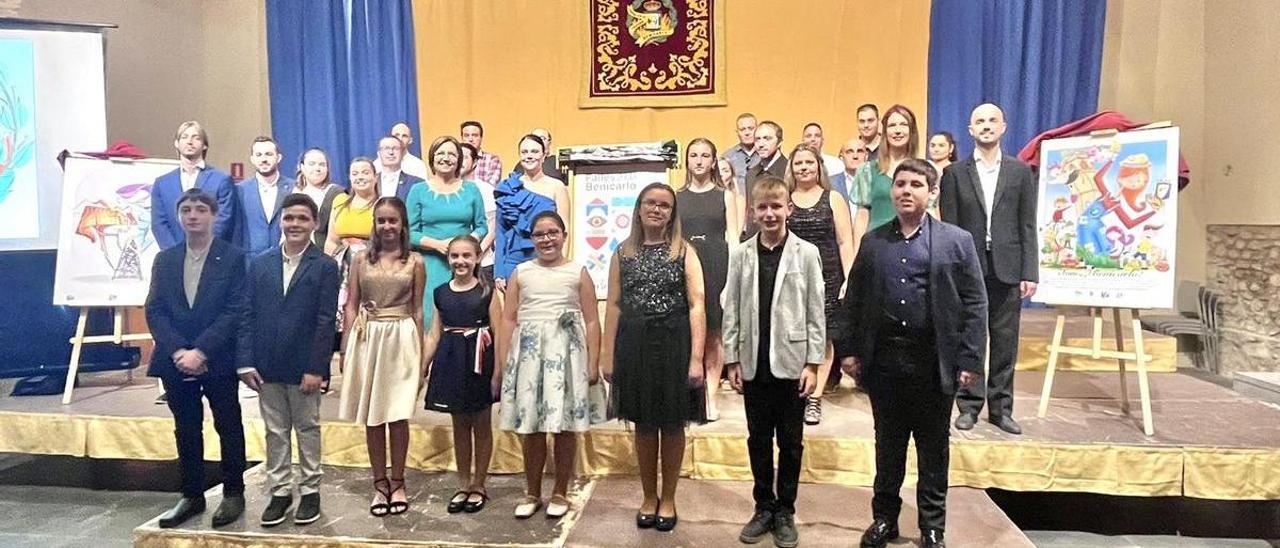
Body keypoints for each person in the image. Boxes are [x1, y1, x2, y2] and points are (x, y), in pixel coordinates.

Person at [837, 159, 988, 548]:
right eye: (900, 183)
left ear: (931, 192)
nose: (906, 190)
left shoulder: (957, 241)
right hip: (885, 362)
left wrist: (970, 359)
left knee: (933, 450)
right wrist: (849, 350)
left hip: (933, 364)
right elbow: (854, 300)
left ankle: (932, 526)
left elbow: (975, 303)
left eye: (916, 184)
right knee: (888, 448)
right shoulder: (873, 241)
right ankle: (885, 519)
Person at [723, 176, 825, 548]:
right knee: (758, 439)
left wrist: (813, 363)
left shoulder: (807, 253)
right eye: (762, 207)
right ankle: (763, 505)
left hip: (792, 363)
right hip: (753, 363)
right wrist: (732, 358)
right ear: (752, 211)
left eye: (776, 206)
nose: (769, 214)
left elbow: (816, 311)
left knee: (792, 443)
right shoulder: (742, 254)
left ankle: (786, 510)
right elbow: (731, 308)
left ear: (788, 209)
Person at [602, 183, 707, 532]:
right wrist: (607, 354)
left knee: (673, 423)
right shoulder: (623, 253)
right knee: (645, 424)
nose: (657, 209)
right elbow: (613, 305)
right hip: (634, 345)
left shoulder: (684, 251)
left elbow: (697, 305)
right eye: (651, 203)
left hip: (674, 343)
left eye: (665, 205)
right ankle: (648, 496)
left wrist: (696, 358)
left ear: (672, 213)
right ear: (639, 208)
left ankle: (670, 497)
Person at [143, 188, 247, 529]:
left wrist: (201, 351)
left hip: (216, 358)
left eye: (200, 209)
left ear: (213, 215)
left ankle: (233, 492)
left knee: (228, 425)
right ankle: (191, 495)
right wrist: (178, 351)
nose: (193, 215)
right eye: (186, 209)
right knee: (186, 429)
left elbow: (235, 310)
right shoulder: (165, 259)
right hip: (175, 361)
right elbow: (155, 310)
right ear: (178, 216)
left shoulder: (232, 257)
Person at [236, 193, 340, 527]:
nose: (294, 224)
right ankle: (279, 491)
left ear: (315, 224)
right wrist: (246, 360)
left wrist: (317, 368)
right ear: (281, 221)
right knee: (275, 431)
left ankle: (310, 491)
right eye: (289, 218)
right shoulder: (260, 263)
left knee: (307, 428)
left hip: (304, 365)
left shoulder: (325, 266)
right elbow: (247, 314)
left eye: (302, 218)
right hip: (266, 365)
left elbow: (326, 320)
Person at [496, 211, 606, 520]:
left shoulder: (577, 271)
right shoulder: (521, 272)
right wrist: (505, 362)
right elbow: (508, 318)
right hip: (530, 355)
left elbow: (592, 320)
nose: (547, 239)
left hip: (566, 354)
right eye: (540, 234)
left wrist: (593, 361)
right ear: (531, 239)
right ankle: (532, 491)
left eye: (553, 232)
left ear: (564, 235)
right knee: (531, 426)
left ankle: (560, 490)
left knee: (564, 425)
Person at [938, 103, 1038, 436]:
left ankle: (1001, 408)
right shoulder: (954, 174)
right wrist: (952, 271)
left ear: (1003, 127)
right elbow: (949, 227)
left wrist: (1030, 271)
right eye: (979, 121)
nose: (986, 126)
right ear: (970, 130)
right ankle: (968, 405)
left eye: (992, 120)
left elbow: (1027, 224)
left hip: (1008, 269)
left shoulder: (1020, 172)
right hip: (969, 270)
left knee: (1005, 342)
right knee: (971, 339)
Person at [338, 196, 426, 517]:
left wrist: (420, 353)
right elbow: (350, 305)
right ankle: (379, 483)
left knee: (398, 413)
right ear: (374, 224)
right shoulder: (361, 259)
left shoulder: (415, 261)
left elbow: (418, 309)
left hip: (401, 335)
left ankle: (399, 480)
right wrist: (346, 346)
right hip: (369, 335)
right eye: (381, 220)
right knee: (373, 415)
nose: (387, 226)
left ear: (403, 224)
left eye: (393, 220)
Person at [423, 235, 502, 514]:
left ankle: (479, 484)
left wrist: (498, 373)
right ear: (448, 258)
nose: (461, 261)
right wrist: (423, 366)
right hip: (451, 359)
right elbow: (434, 334)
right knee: (459, 424)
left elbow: (500, 332)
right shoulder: (440, 292)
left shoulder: (487, 291)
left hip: (480, 360)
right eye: (455, 256)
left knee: (481, 423)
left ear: (478, 258)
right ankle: (463, 483)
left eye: (467, 256)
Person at [785, 144, 855, 425]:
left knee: (823, 338)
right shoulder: (785, 198)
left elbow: (844, 241)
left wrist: (848, 278)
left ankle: (815, 399)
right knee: (795, 339)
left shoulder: (833, 198)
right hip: (792, 279)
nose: (804, 167)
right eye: (798, 163)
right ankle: (797, 393)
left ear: (818, 167)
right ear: (791, 168)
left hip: (827, 277)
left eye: (809, 162)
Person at [678, 139, 738, 421]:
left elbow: (734, 240)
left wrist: (732, 282)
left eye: (705, 156)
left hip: (717, 267)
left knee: (714, 334)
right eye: (694, 155)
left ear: (714, 161)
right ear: (686, 160)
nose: (699, 160)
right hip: (685, 269)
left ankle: (710, 397)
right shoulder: (676, 197)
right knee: (688, 335)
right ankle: (690, 396)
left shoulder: (724, 195)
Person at [407, 136, 489, 329]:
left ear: (459, 159)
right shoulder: (418, 190)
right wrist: (438, 245)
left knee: (465, 318)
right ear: (432, 157)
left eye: (452, 154)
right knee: (431, 321)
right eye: (441, 153)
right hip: (430, 265)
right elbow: (409, 232)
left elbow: (482, 226)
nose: (446, 158)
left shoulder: (472, 190)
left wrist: (464, 243)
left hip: (464, 263)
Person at [494, 134, 569, 287]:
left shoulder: (557, 186)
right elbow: (500, 231)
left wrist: (562, 265)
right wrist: (499, 271)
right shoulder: (508, 187)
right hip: (513, 261)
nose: (529, 156)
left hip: (547, 259)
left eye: (534, 152)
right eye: (524, 152)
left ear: (544, 155)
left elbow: (565, 228)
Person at [151, 121, 236, 250]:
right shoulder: (162, 184)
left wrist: (202, 250)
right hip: (173, 258)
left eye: (196, 137)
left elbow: (223, 221)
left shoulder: (221, 180)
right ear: (176, 144)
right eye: (184, 137)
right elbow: (159, 224)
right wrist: (176, 254)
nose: (189, 142)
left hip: (210, 257)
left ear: (204, 145)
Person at [327, 157, 380, 365]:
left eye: (365, 172)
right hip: (342, 265)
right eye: (355, 173)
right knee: (344, 312)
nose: (360, 177)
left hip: (372, 263)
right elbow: (331, 239)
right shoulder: (340, 201)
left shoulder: (382, 204)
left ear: (375, 177)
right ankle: (345, 358)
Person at [851, 104, 922, 231]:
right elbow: (862, 217)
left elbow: (932, 213)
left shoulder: (924, 171)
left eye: (903, 125)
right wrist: (857, 250)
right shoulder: (867, 171)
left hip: (916, 245)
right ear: (884, 132)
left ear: (912, 130)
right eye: (892, 126)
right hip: (878, 244)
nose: (897, 130)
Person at [236, 136, 292, 263]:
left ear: (278, 158)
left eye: (268, 154)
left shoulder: (294, 188)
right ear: (252, 159)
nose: (264, 159)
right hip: (250, 263)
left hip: (285, 260)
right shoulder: (239, 190)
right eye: (259, 155)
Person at [741, 121, 787, 239]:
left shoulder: (789, 171)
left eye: (767, 139)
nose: (761, 144)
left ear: (779, 142)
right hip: (754, 239)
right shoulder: (751, 174)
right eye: (758, 139)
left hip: (783, 239)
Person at [460, 143, 498, 282]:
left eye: (464, 157)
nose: (459, 161)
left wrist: (475, 256)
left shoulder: (486, 189)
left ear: (475, 162)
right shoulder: (447, 189)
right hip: (454, 262)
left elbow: (492, 229)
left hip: (482, 262)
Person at [293, 148, 345, 249]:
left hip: (324, 254)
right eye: (312, 164)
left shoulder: (336, 193)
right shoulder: (291, 192)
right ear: (302, 167)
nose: (317, 168)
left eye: (322, 164)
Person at [832, 138, 872, 227]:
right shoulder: (829, 184)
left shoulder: (877, 182)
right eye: (849, 152)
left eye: (860, 151)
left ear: (866, 156)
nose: (855, 156)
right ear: (841, 157)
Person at [376, 135, 425, 201]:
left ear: (402, 153)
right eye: (386, 148)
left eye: (395, 148)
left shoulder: (416, 183)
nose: (391, 152)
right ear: (379, 153)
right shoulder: (371, 181)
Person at [722, 112, 759, 195]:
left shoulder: (765, 155)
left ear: (757, 129)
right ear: (737, 132)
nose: (747, 133)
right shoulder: (727, 157)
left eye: (751, 128)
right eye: (742, 129)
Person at [460, 120, 504, 186]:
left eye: (475, 135)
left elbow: (490, 186)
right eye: (466, 135)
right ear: (462, 138)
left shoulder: (492, 159)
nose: (470, 139)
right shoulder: (456, 158)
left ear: (481, 138)